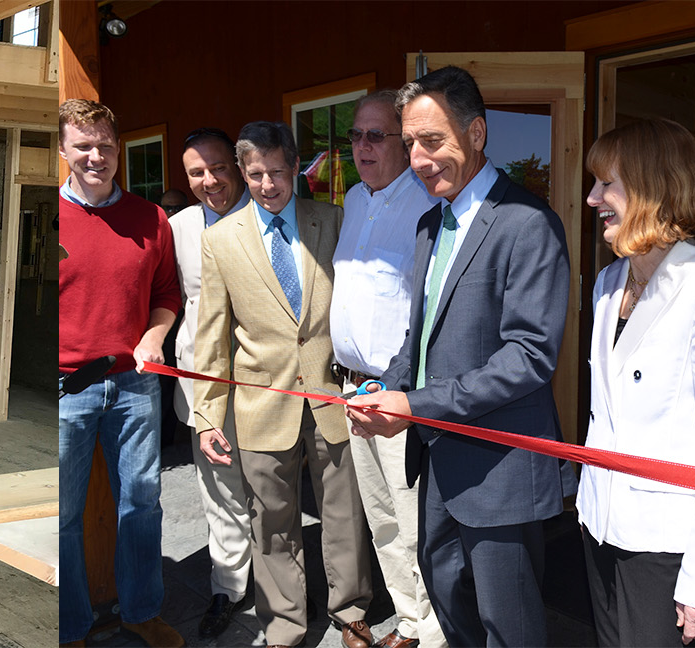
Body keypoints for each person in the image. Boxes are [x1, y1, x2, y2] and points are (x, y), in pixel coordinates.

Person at [349, 66, 570, 648]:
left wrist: (414, 402)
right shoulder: (430, 223)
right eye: (410, 144)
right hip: (438, 463)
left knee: (510, 628)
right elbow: (418, 335)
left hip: (500, 472)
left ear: (476, 134)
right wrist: (383, 386)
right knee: (450, 605)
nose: (419, 159)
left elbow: (529, 358)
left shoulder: (528, 223)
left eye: (433, 142)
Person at [192, 122, 373, 648]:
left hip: (332, 396)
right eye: (255, 175)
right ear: (243, 174)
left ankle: (351, 612)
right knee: (270, 522)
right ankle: (285, 624)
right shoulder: (219, 239)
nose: (268, 185)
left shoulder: (333, 220)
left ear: (295, 166)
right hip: (259, 404)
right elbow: (212, 337)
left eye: (276, 172)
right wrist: (207, 415)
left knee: (344, 514)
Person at [577, 117, 695, 647]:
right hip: (598, 525)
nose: (593, 197)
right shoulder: (607, 281)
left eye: (607, 183)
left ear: (652, 188)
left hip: (667, 547)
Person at [55, 98, 184, 648]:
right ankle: (71, 624)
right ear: (63, 150)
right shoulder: (51, 217)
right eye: (83, 145)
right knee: (62, 515)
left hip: (134, 382)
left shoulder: (150, 218)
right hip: (65, 391)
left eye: (105, 145)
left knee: (142, 503)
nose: (96, 156)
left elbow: (166, 294)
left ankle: (140, 610)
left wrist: (155, 335)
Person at [328, 90, 442, 648]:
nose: (363, 146)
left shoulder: (426, 204)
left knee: (412, 515)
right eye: (356, 135)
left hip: (396, 395)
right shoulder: (353, 198)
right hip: (351, 389)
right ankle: (410, 620)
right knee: (383, 519)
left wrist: (396, 389)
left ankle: (430, 628)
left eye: (377, 135)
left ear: (405, 142)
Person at [166, 126, 255, 641]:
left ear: (239, 166)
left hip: (265, 380)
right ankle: (229, 585)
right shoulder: (177, 227)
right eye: (197, 172)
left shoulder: (266, 214)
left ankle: (280, 585)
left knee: (271, 486)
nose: (209, 180)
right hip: (203, 378)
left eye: (219, 167)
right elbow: (165, 297)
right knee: (218, 486)